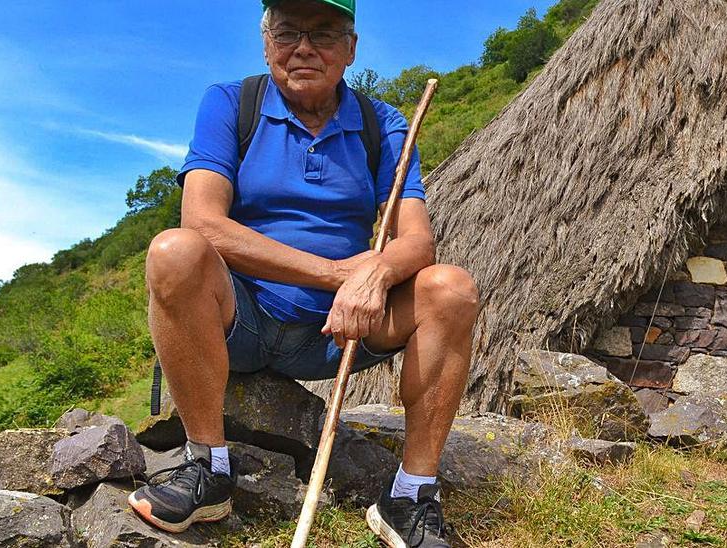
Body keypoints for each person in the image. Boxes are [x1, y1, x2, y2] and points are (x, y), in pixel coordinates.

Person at [127, 0, 477, 545]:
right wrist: (340, 275)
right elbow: (203, 222)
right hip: (242, 319)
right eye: (288, 32)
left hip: (344, 332)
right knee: (175, 250)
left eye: (324, 33)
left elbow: (418, 241)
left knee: (452, 289)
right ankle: (208, 468)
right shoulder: (230, 103)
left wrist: (378, 272)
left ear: (351, 48)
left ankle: (410, 497)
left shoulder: (379, 123)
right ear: (266, 43)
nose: (305, 48)